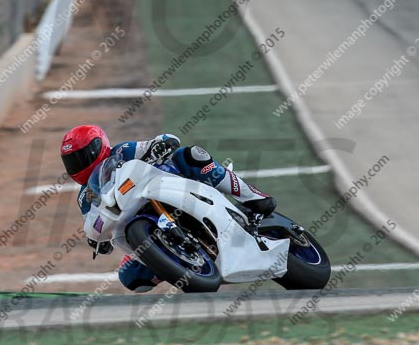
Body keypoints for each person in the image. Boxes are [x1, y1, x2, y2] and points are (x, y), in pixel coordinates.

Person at [60, 125, 277, 292]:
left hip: (172, 184)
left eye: (82, 156)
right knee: (130, 276)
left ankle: (253, 196)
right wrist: (98, 241)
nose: (78, 164)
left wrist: (161, 144)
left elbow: (163, 140)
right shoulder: (85, 196)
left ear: (99, 146)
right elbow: (95, 219)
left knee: (192, 155)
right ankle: (177, 262)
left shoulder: (123, 151)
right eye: (72, 161)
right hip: (137, 215)